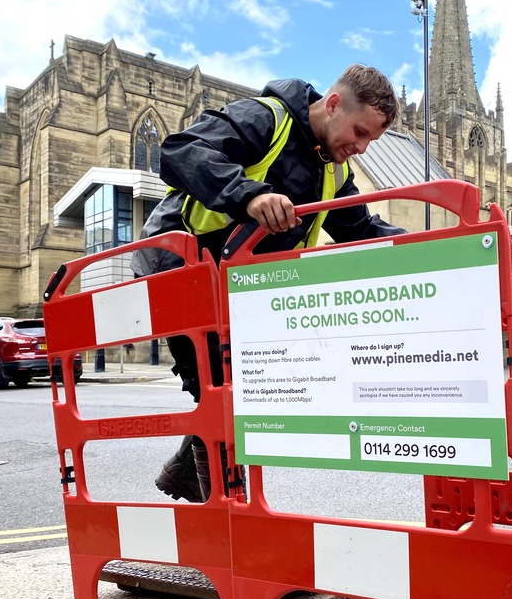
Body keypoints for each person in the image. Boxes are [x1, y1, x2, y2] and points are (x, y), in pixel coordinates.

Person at [130, 64, 405, 503]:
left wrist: (444, 242)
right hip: (178, 267)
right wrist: (249, 194)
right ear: (333, 105)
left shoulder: (332, 171)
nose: (362, 147)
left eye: (371, 139)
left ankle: (187, 475)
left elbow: (361, 228)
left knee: (253, 391)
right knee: (226, 396)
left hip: (235, 290)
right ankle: (227, 527)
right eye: (360, 131)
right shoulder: (265, 119)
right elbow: (179, 150)